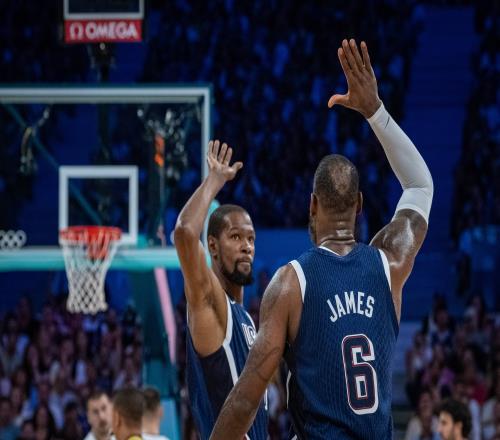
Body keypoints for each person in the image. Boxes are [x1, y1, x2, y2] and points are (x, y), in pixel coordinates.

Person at [210, 38, 433, 439]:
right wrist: (375, 111)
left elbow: (246, 398)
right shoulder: (389, 264)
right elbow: (420, 185)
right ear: (359, 205)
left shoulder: (290, 283)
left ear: (312, 204)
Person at [174, 140, 268, 439]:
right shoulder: (211, 304)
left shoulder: (246, 318)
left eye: (251, 239)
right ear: (212, 246)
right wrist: (215, 180)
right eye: (235, 237)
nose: (247, 247)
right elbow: (185, 233)